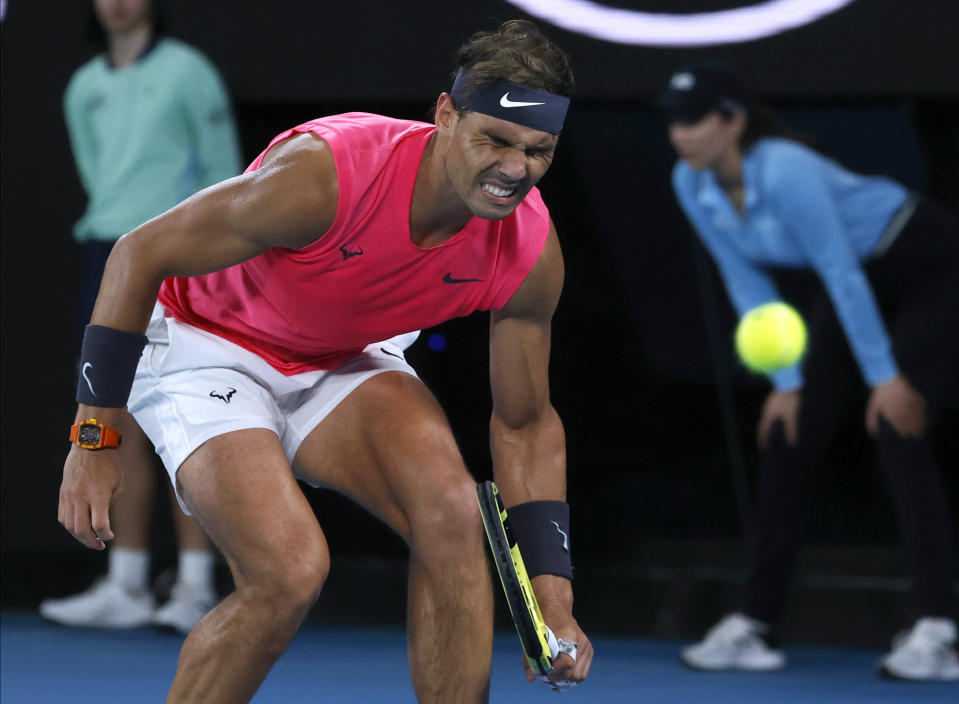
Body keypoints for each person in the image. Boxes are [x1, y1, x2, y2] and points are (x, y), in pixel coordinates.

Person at [56, 18, 593, 702]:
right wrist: (94, 436)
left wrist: (553, 595)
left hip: (338, 354)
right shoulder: (327, 172)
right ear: (445, 115)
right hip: (205, 344)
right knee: (288, 572)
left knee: (454, 515)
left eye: (537, 151)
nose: (514, 170)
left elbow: (524, 426)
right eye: (494, 140)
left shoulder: (528, 251)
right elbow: (138, 252)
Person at [661, 63, 959, 681]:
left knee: (898, 427)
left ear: (733, 122)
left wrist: (885, 379)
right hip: (853, 279)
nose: (681, 135)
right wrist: (788, 385)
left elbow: (839, 271)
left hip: (928, 263)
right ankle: (755, 624)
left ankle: (939, 628)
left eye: (695, 121)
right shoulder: (690, 183)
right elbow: (746, 282)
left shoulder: (786, 169)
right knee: (786, 435)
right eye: (674, 122)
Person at [42, 0, 241, 634]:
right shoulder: (84, 87)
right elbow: (99, 176)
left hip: (185, 258)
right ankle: (125, 582)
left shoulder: (190, 71)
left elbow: (225, 175)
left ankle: (193, 586)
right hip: (108, 254)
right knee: (112, 415)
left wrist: (215, 262)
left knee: (187, 415)